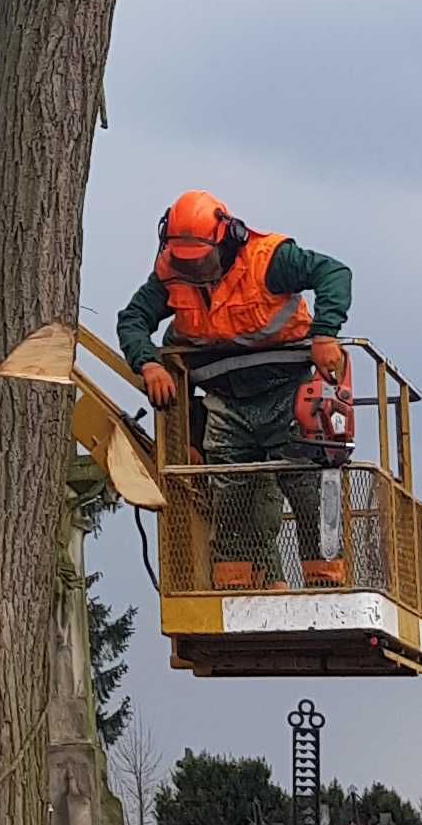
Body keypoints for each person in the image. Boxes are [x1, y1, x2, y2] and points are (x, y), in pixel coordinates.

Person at [116, 192, 354, 587]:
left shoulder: (269, 260)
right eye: (184, 262)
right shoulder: (169, 274)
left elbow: (334, 273)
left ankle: (326, 579)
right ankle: (237, 583)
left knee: (307, 484)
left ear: (225, 238)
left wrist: (326, 333)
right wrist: (149, 363)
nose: (193, 271)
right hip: (225, 401)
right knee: (229, 496)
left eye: (200, 261)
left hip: (287, 391)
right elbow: (133, 320)